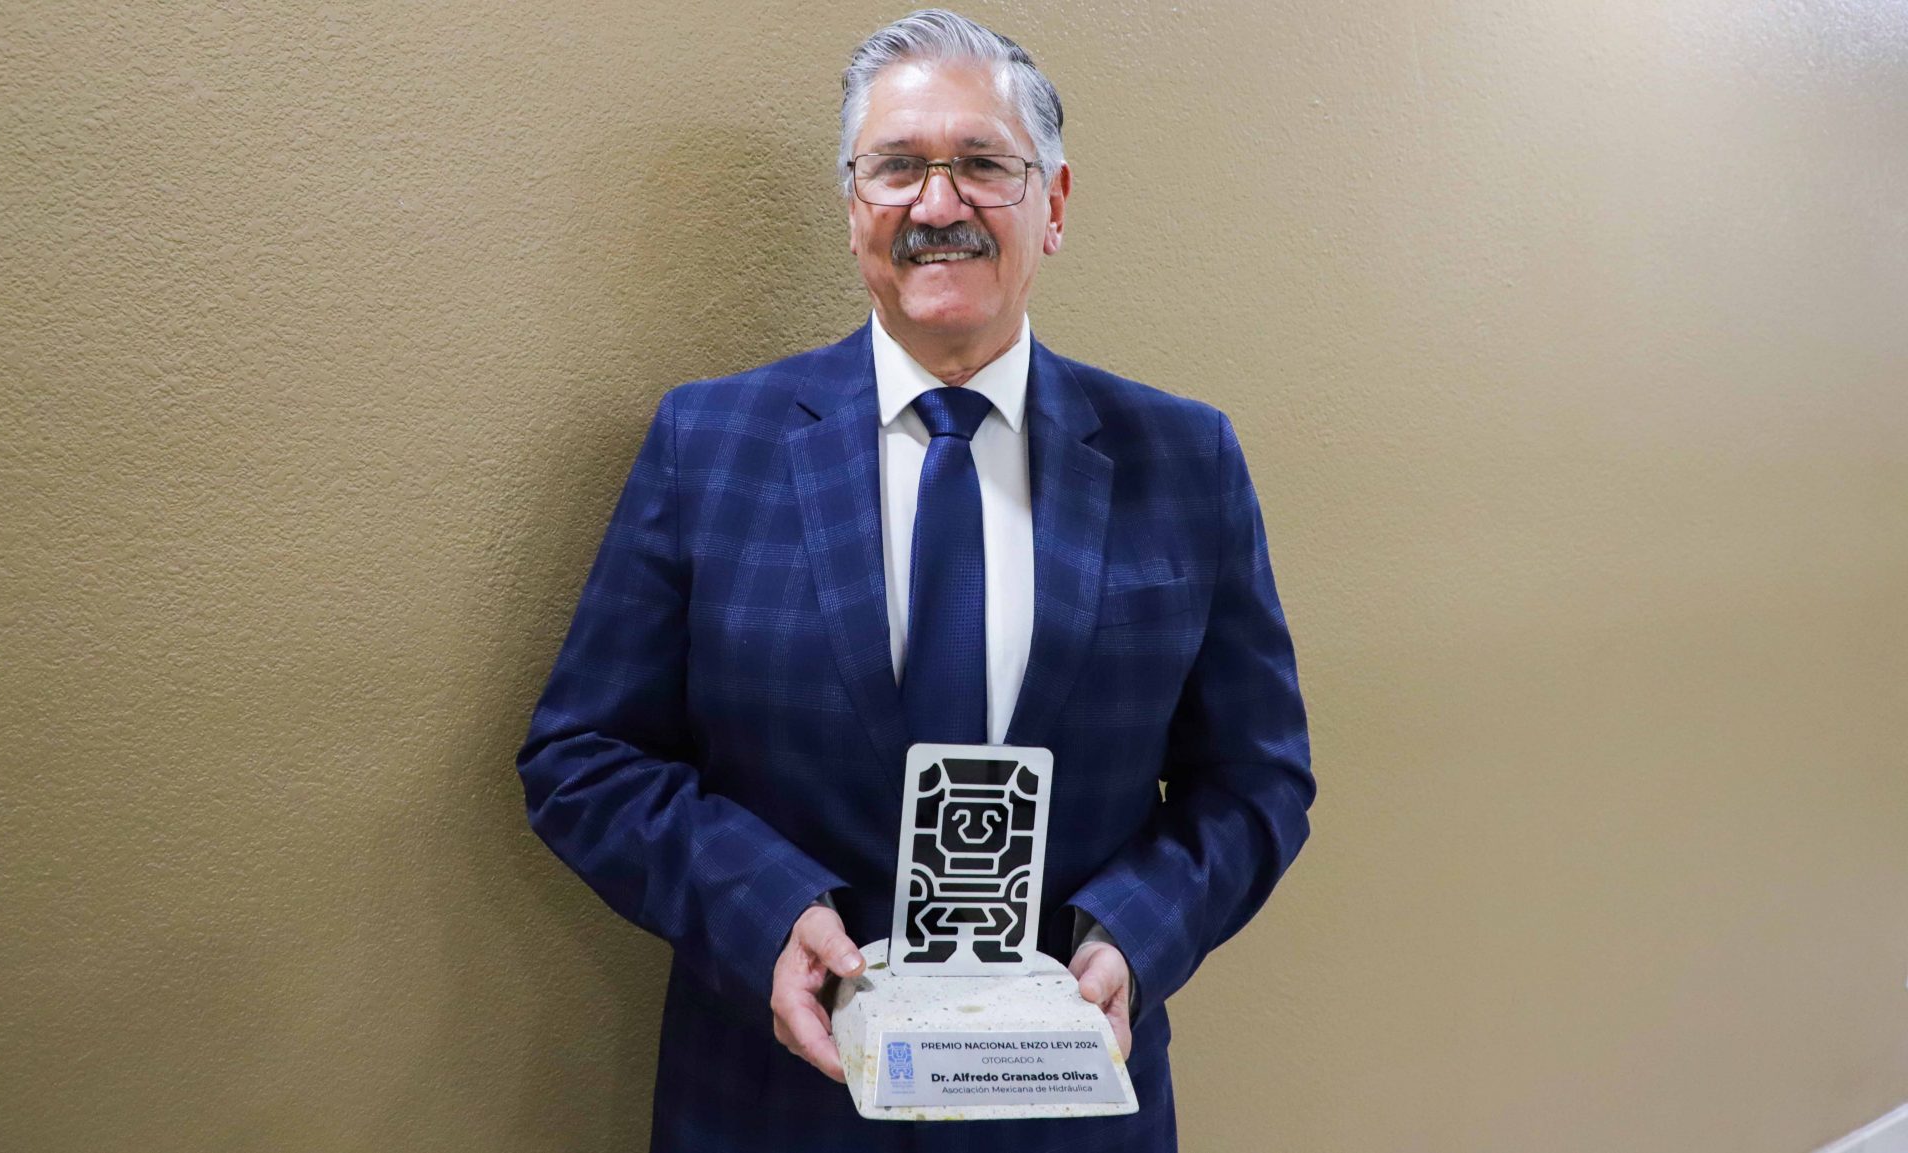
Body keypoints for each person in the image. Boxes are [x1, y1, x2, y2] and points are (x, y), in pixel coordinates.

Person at [515, 10, 1313, 1151]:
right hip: (772, 1103)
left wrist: (1134, 936)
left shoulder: (1187, 459)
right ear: (854, 207)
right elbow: (584, 757)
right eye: (896, 167)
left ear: (1054, 204)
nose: (939, 205)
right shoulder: (709, 443)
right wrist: (765, 913)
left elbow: (1256, 780)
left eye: (984, 163)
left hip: (1069, 1109)